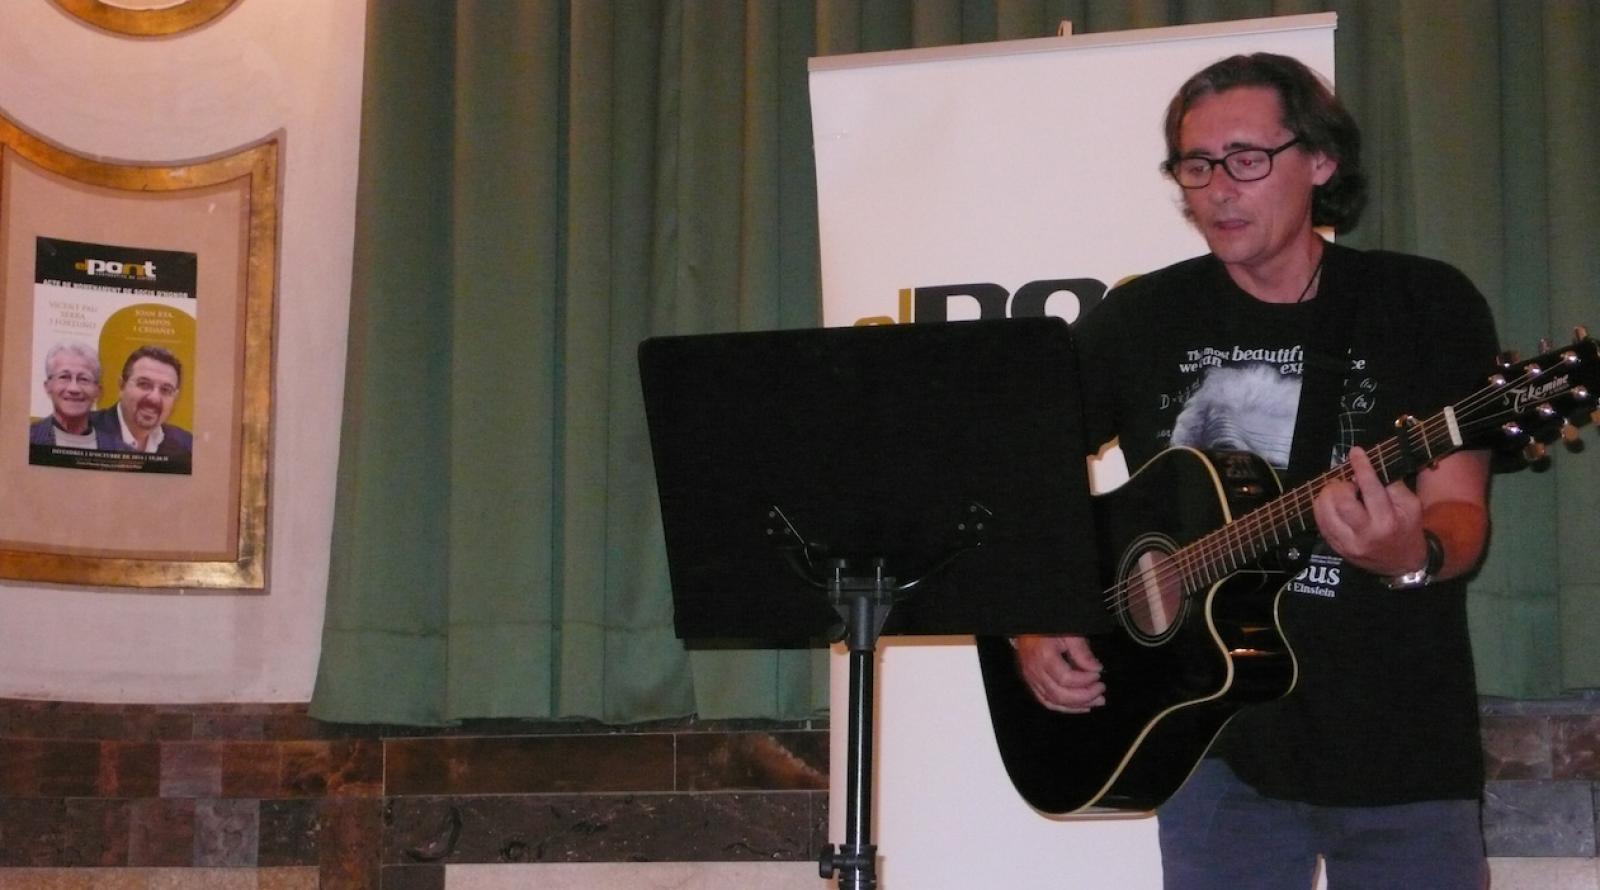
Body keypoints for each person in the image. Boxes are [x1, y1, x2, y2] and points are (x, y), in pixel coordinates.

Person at [1014, 53, 1498, 889]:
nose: (1219, 190)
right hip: (1207, 742)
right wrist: (1034, 614)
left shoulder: (1422, 303)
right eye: (1197, 165)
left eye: (1246, 159)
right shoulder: (1140, 318)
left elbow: (1460, 512)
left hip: (1398, 738)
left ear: (1321, 161)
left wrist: (1408, 556)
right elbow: (1022, 477)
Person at [90, 345, 194, 456]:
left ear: (175, 397)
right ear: (122, 386)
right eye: (144, 384)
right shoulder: (84, 429)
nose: (154, 398)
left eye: (165, 390)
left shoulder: (187, 445)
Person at [28, 341, 117, 450]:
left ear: (98, 391)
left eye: (84, 379)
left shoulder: (119, 450)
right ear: (48, 386)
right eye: (64, 377)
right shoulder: (25, 440)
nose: (74, 388)